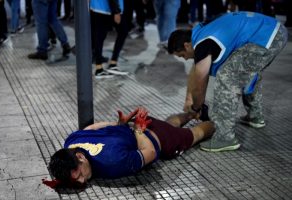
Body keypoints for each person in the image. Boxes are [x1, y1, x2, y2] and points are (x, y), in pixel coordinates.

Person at [167, 11, 288, 152]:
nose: (186, 59)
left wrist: (196, 107)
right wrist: (189, 100)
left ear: (187, 45)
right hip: (273, 30)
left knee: (227, 77)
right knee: (245, 70)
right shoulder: (200, 32)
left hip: (266, 36)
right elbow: (196, 70)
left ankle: (225, 137)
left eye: (182, 55)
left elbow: (200, 84)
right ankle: (255, 116)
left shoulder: (202, 45)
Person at [45, 106, 214, 187]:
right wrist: (118, 125)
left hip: (160, 138)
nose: (82, 181)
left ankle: (218, 122)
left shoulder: (113, 163)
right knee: (169, 123)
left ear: (79, 157)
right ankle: (193, 112)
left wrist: (139, 131)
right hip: (140, 125)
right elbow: (90, 129)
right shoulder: (70, 143)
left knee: (196, 134)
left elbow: (150, 152)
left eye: (80, 175)